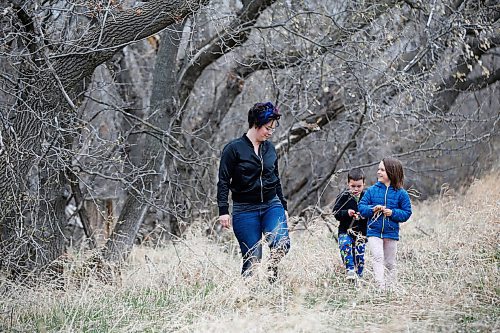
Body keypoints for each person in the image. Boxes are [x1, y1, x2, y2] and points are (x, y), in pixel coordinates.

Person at [217, 102, 290, 282]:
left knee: (281, 243)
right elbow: (223, 181)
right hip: (245, 209)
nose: (270, 132)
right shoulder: (233, 149)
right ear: (256, 124)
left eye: (273, 128)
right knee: (252, 258)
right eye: (267, 128)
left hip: (271, 205)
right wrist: (223, 210)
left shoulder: (270, 149)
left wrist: (284, 206)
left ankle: (272, 274)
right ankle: (247, 298)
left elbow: (276, 178)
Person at [358, 157, 412, 290]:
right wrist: (372, 209)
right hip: (373, 231)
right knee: (377, 256)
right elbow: (361, 207)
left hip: (391, 232)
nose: (378, 172)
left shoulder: (401, 194)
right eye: (378, 169)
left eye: (382, 170)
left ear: (391, 172)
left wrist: (392, 213)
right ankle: (380, 286)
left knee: (389, 262)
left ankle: (390, 287)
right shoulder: (371, 191)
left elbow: (407, 212)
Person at [333, 168, 367, 281]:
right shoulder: (344, 196)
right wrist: (347, 213)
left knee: (359, 255)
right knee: (345, 246)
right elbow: (336, 213)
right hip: (345, 230)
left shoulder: (367, 196)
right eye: (353, 186)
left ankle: (359, 276)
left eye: (359, 186)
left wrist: (363, 215)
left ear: (363, 184)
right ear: (348, 184)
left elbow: (371, 212)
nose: (356, 189)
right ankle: (350, 270)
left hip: (361, 233)